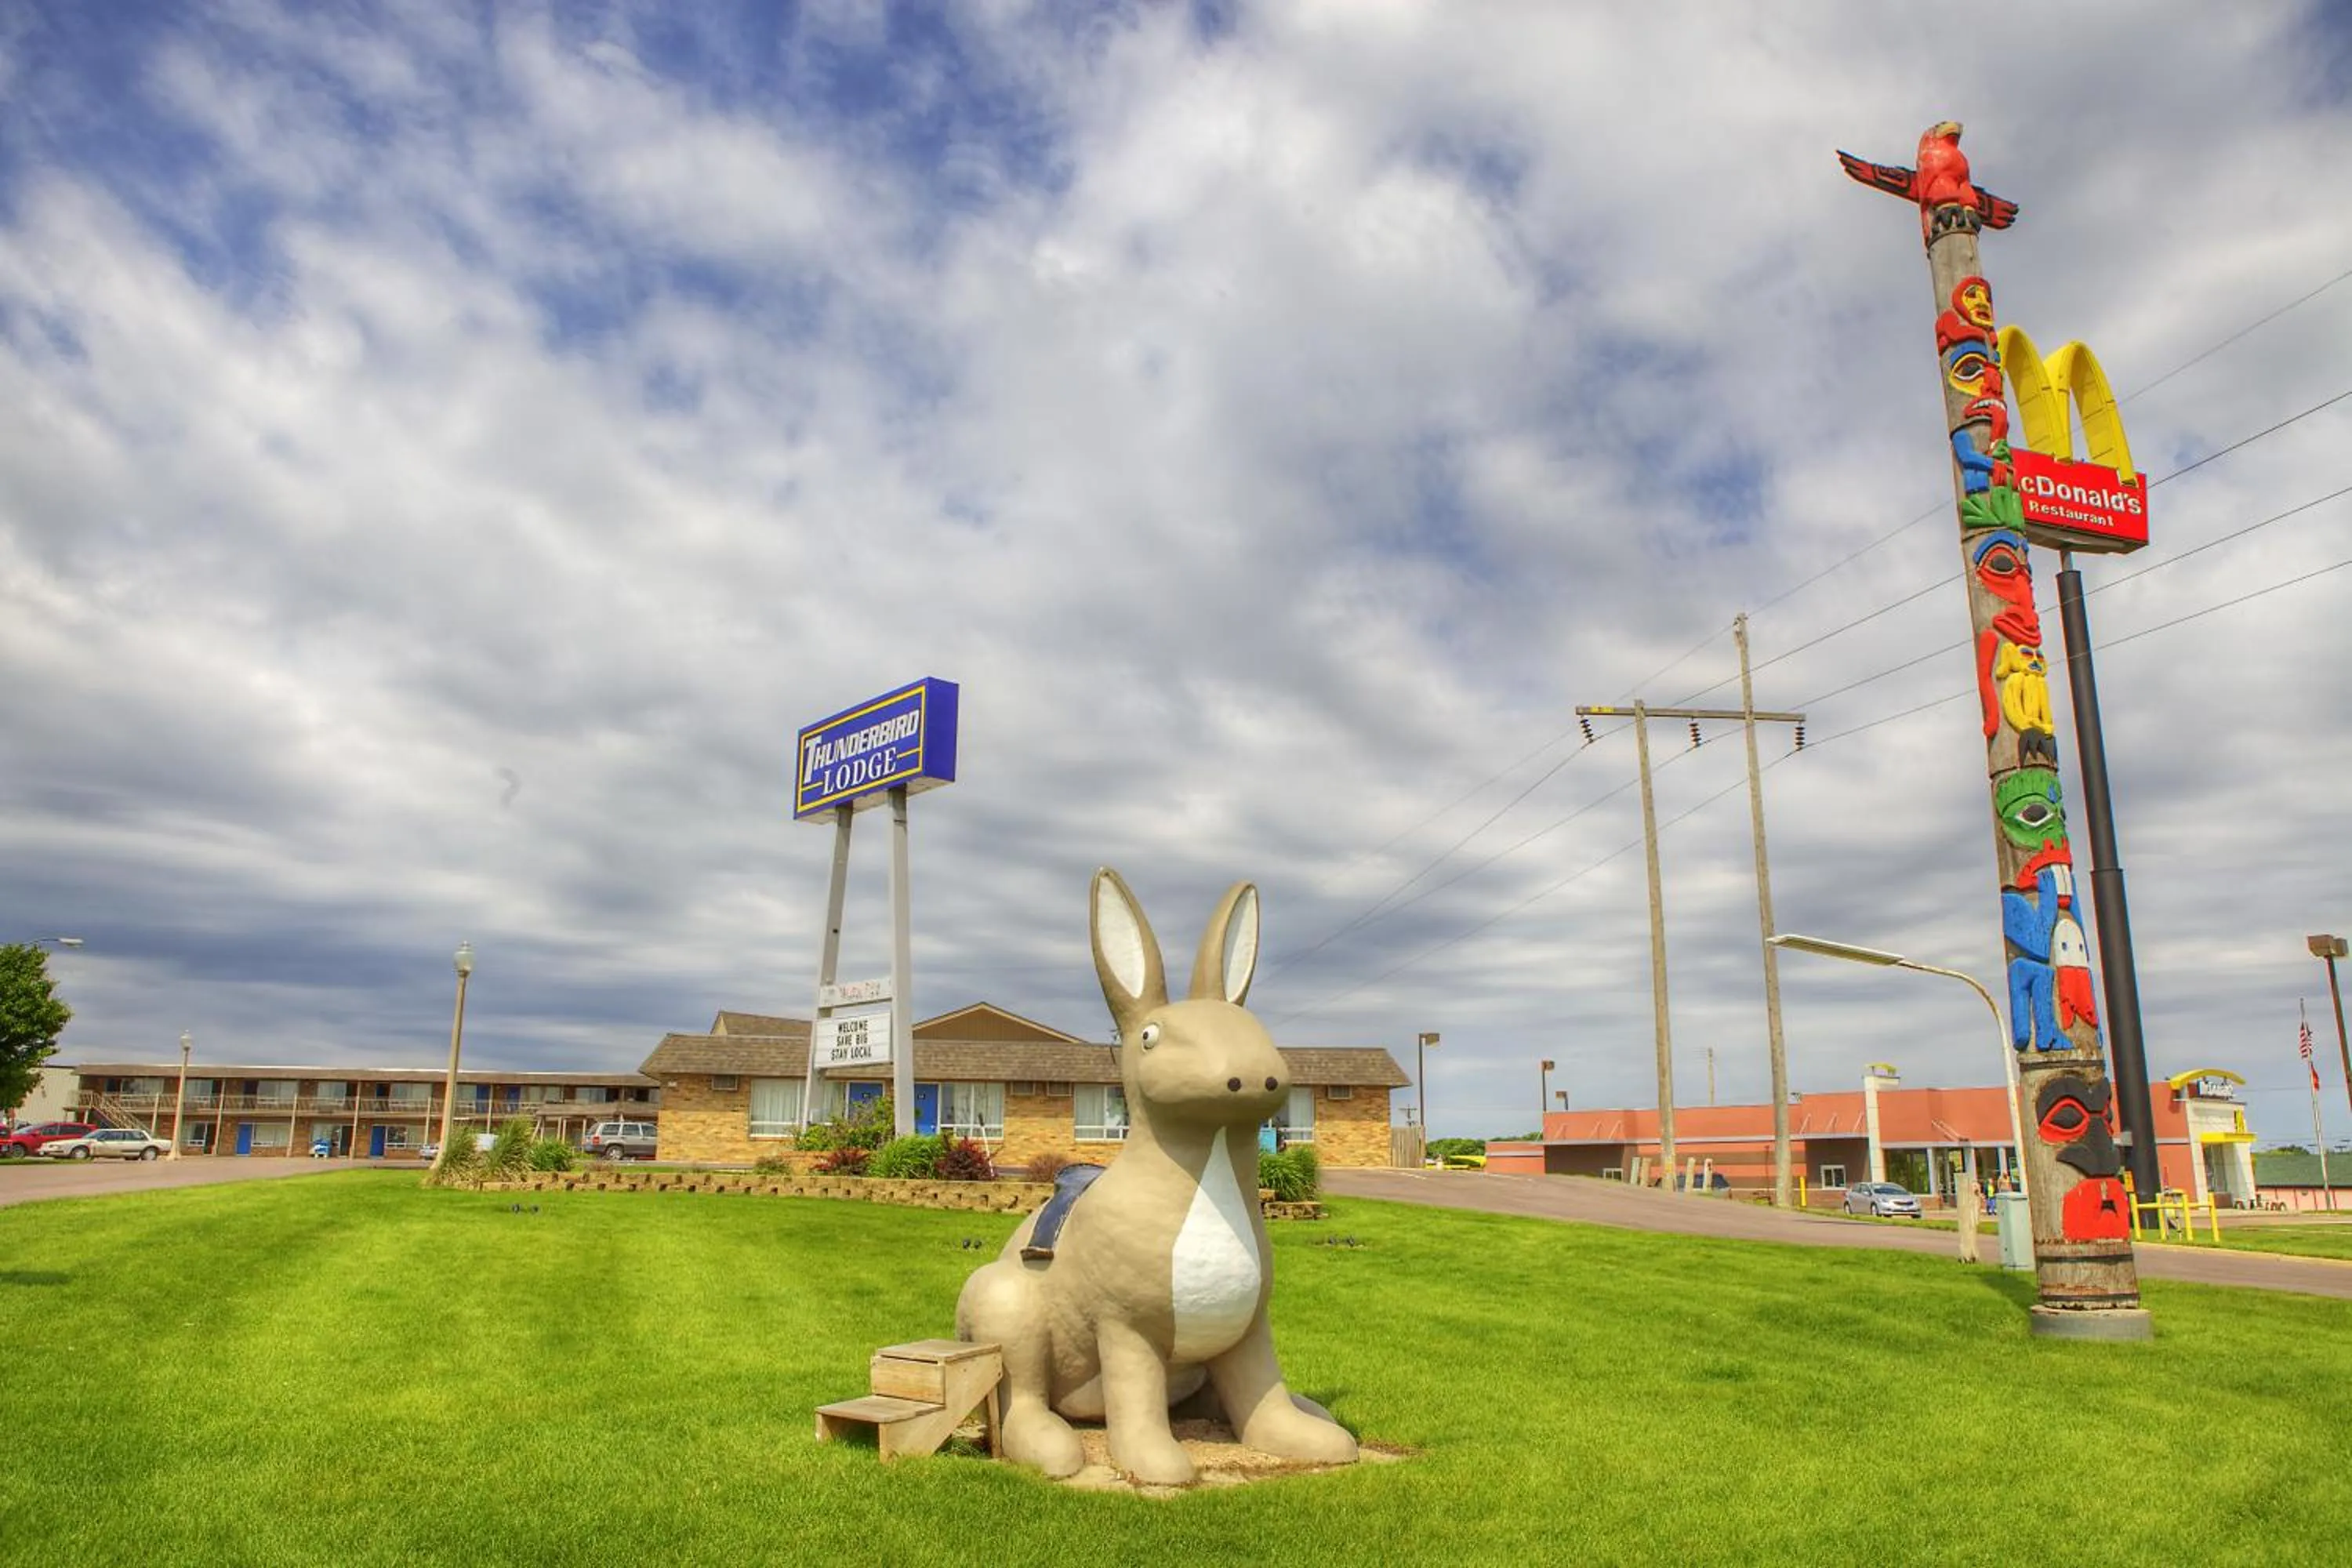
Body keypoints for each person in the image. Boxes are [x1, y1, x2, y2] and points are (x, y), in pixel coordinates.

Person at [1956, 1180, 1983, 1265]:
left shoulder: (1977, 1198)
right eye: (1974, 1186)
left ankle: (1973, 1255)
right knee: (1967, 1238)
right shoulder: (1967, 1198)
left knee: (1973, 1238)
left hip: (1973, 1221)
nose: (1976, 1188)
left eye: (1977, 1186)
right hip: (1967, 1221)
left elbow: (1978, 1209)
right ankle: (1966, 1256)